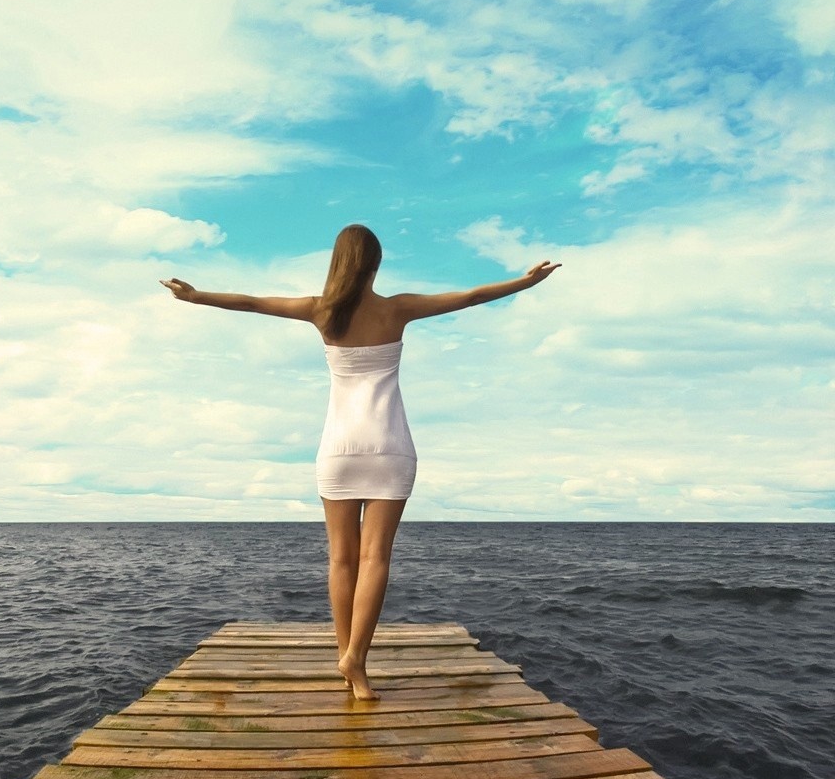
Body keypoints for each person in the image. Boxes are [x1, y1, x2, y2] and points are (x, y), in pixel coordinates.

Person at [160, 223, 559, 700]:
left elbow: (251, 302)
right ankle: (357, 662)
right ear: (375, 264)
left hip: (339, 448)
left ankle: (347, 658)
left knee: (341, 559)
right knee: (376, 558)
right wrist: (524, 282)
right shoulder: (398, 308)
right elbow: (470, 296)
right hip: (390, 444)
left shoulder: (319, 311)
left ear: (337, 262)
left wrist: (196, 296)